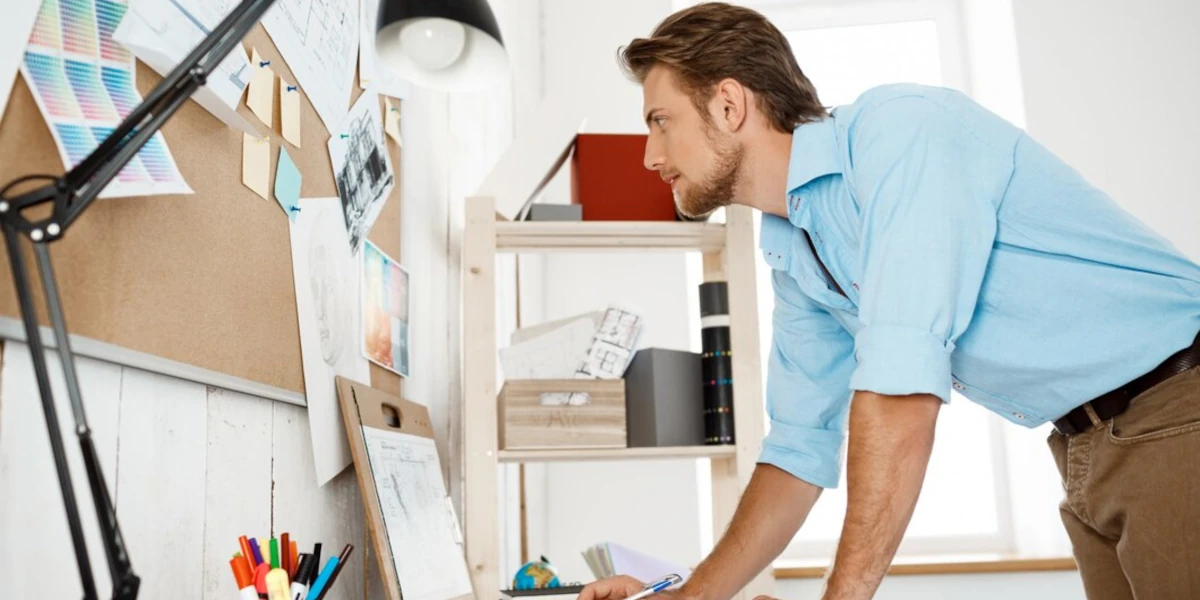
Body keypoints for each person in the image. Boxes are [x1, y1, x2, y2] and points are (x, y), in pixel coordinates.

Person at [578, 3, 1200, 600]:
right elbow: (798, 447)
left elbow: (901, 395)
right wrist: (694, 594)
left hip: (1175, 409)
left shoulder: (902, 133)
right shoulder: (796, 245)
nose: (649, 155)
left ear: (729, 103)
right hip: (1084, 445)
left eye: (661, 121)